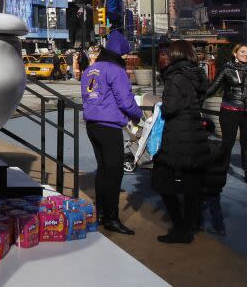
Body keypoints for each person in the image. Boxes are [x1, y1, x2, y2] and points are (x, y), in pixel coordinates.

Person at [80, 30, 142, 235]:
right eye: (125, 54)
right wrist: (137, 114)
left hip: (92, 124)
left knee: (103, 170)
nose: (126, 57)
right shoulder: (116, 71)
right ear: (120, 53)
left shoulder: (92, 69)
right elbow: (125, 100)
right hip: (109, 125)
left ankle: (100, 213)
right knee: (114, 172)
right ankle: (112, 218)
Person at [152, 40, 211, 244]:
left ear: (175, 54)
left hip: (177, 134)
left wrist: (160, 106)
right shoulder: (197, 74)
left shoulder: (175, 77)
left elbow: (170, 108)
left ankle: (181, 228)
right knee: (192, 185)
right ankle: (190, 225)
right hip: (195, 133)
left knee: (162, 181)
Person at [204, 43, 247, 187]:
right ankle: (221, 170)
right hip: (229, 111)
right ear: (235, 53)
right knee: (228, 143)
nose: (246, 54)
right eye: (242, 52)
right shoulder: (227, 69)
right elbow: (213, 88)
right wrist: (195, 98)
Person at [198, 119, 227, 236]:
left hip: (201, 183)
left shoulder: (198, 148)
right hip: (215, 185)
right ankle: (220, 228)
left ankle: (198, 224)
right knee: (215, 206)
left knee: (197, 204)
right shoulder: (220, 147)